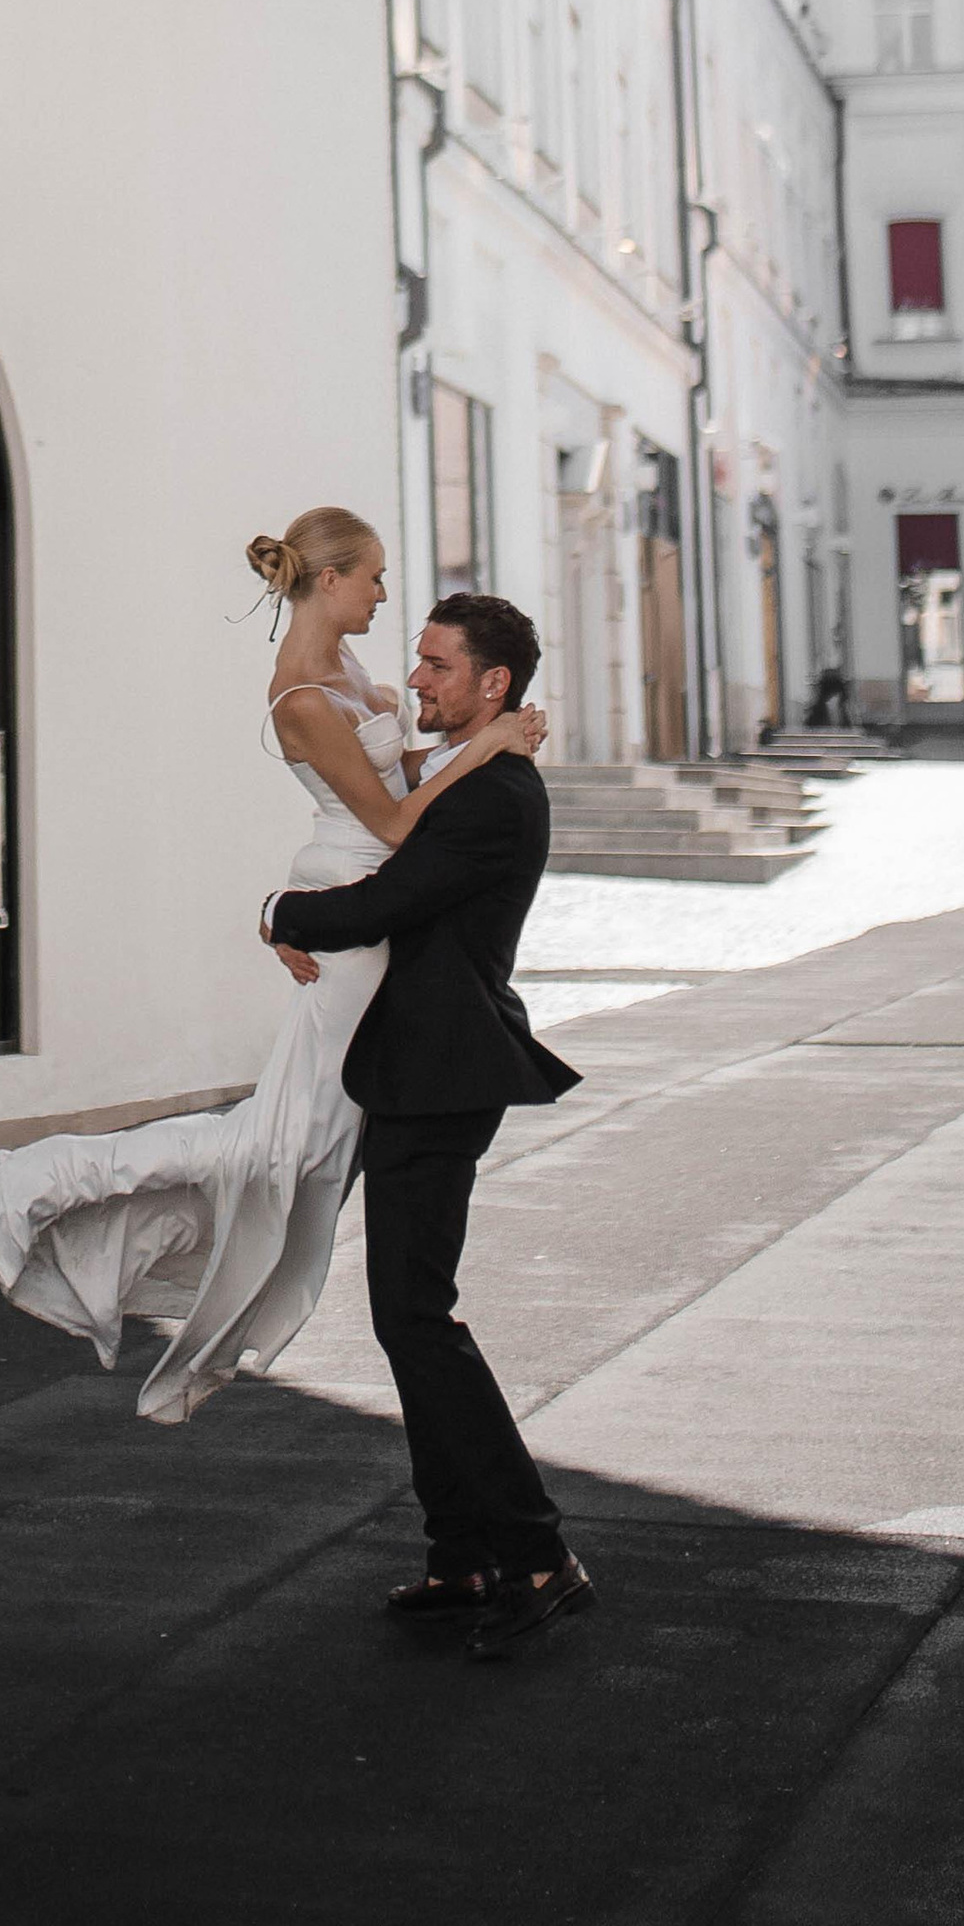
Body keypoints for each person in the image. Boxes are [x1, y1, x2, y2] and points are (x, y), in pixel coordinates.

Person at [0, 506, 545, 1425]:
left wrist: (469, 744)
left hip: (361, 890)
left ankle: (239, 1284)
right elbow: (395, 824)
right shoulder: (302, 695)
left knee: (303, 1143)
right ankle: (49, 1182)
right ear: (330, 580)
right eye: (375, 578)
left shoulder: (347, 671)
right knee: (280, 1144)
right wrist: (486, 748)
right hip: (359, 888)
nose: (384, 595)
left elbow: (398, 778)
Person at [262, 588, 591, 1661]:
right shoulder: (477, 775)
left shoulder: (494, 794)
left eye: (437, 666)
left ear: (493, 684)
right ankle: (461, 1554)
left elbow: (380, 901)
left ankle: (534, 1552)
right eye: (416, 661)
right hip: (416, 1067)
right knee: (409, 1315)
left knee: (418, 1316)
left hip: (444, 1075)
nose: (415, 681)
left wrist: (277, 913)